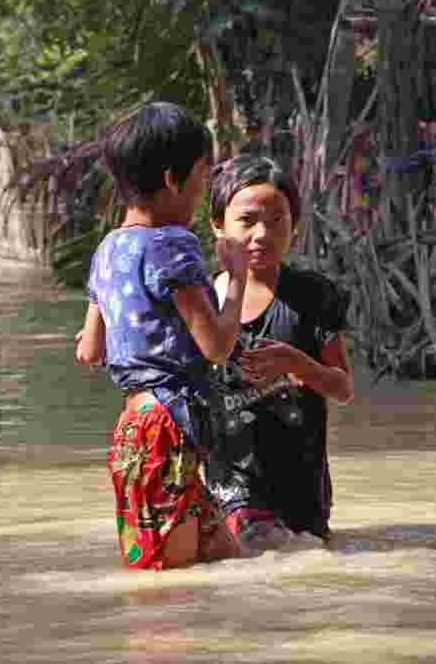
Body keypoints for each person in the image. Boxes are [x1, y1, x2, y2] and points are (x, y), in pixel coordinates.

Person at [75, 102, 250, 570]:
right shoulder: (173, 245)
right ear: (173, 179)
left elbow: (90, 351)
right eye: (201, 179)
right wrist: (237, 278)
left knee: (222, 563)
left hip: (137, 428)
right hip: (169, 431)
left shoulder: (107, 250)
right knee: (163, 588)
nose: (202, 193)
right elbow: (217, 346)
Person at [203, 155, 354, 555]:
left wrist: (296, 363)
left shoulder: (313, 295)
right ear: (218, 225)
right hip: (228, 486)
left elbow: (342, 388)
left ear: (294, 225)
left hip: (302, 486)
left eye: (276, 221)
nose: (262, 234)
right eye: (247, 221)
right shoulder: (201, 299)